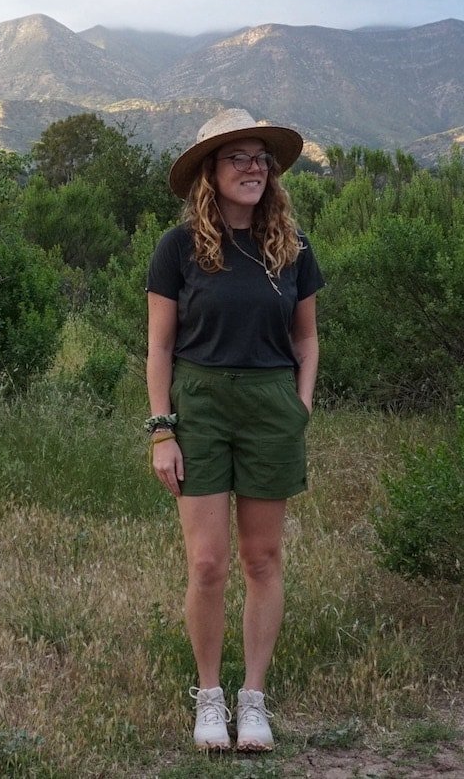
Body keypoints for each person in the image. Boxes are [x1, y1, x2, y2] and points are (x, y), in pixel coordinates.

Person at [145, 108, 324, 751]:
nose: (253, 167)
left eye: (260, 158)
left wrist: (299, 404)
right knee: (207, 562)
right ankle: (209, 697)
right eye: (237, 157)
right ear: (209, 173)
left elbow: (307, 340)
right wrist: (163, 430)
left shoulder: (293, 248)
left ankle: (253, 699)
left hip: (272, 406)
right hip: (200, 405)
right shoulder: (178, 248)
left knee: (263, 558)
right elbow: (159, 349)